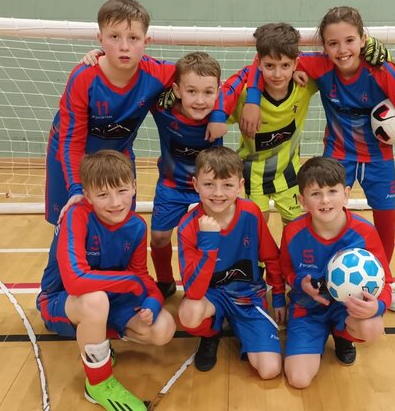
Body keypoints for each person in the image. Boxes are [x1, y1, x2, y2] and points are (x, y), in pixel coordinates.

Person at [246, 6, 395, 312]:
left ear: (364, 40)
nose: (342, 49)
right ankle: (321, 278)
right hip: (338, 157)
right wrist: (253, 101)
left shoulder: (381, 70)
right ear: (324, 47)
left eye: (349, 40)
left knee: (385, 226)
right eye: (333, 43)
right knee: (324, 217)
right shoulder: (320, 66)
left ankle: (382, 283)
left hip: (379, 161)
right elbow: (261, 62)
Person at [36, 150, 176, 411]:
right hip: (61, 301)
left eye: (122, 190)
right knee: (95, 300)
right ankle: (98, 384)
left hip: (109, 301)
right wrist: (129, 282)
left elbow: (142, 278)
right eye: (102, 195)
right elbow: (76, 282)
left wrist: (154, 303)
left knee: (163, 328)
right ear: (87, 196)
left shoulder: (136, 225)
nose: (115, 202)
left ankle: (97, 340)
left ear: (134, 187)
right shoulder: (76, 216)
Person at [45, 0, 175, 227]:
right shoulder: (84, 77)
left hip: (118, 154)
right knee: (70, 221)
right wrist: (76, 187)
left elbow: (204, 78)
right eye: (114, 37)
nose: (124, 46)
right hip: (71, 153)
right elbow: (71, 141)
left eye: (133, 38)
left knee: (120, 221)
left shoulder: (158, 73)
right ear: (100, 39)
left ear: (146, 41)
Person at [279, 156, 391, 389]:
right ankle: (314, 337)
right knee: (299, 379)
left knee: (372, 326)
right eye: (315, 193)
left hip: (347, 308)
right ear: (302, 200)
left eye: (332, 191)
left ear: (346, 194)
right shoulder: (293, 232)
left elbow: (386, 281)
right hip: (308, 308)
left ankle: (342, 336)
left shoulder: (364, 232)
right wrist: (301, 284)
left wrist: (377, 307)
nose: (325, 200)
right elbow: (285, 270)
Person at [176, 146, 285, 378]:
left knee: (270, 370)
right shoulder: (188, 226)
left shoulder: (251, 213)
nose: (218, 193)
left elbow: (271, 258)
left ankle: (240, 325)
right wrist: (208, 243)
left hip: (247, 295)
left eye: (227, 184)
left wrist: (277, 297)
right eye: (209, 184)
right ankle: (211, 333)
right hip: (210, 296)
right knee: (188, 313)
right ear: (195, 184)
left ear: (240, 185)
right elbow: (193, 291)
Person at [211, 23, 317, 225]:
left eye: (285, 66)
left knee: (297, 228)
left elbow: (331, 67)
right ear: (258, 64)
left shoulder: (305, 86)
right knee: (257, 230)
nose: (277, 74)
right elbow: (217, 105)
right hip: (252, 174)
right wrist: (216, 118)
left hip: (289, 174)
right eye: (270, 66)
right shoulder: (243, 96)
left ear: (296, 64)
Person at [148, 51, 223, 299]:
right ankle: (165, 281)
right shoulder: (162, 109)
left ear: (218, 91)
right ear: (178, 90)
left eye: (208, 92)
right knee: (158, 238)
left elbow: (250, 79)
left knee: (215, 235)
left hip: (212, 188)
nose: (200, 101)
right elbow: (140, 69)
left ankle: (217, 280)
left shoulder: (224, 110)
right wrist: (101, 53)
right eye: (192, 91)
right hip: (173, 185)